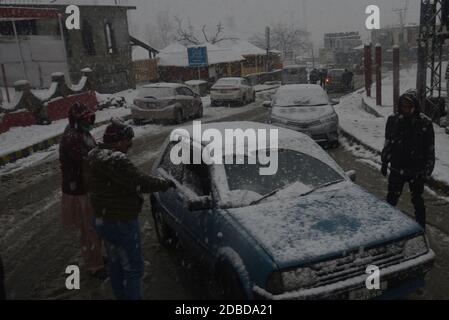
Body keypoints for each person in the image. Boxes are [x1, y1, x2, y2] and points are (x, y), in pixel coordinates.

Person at [88, 119, 175, 300]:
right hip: (120, 221)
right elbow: (140, 181)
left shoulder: (95, 155)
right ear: (119, 141)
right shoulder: (116, 160)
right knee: (134, 268)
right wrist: (165, 184)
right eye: (128, 140)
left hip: (103, 220)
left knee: (116, 264)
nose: (130, 144)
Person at [59, 102, 107, 280]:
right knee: (89, 230)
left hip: (84, 188)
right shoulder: (73, 137)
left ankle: (97, 258)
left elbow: (91, 154)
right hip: (79, 192)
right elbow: (86, 160)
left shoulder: (80, 133)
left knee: (93, 227)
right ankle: (95, 266)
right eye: (87, 118)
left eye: (91, 117)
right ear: (78, 120)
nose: (91, 121)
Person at [381, 90, 435, 229]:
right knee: (391, 198)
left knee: (417, 200)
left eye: (408, 106)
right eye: (403, 106)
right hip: (397, 168)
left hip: (416, 170)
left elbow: (430, 150)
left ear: (415, 106)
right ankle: (386, 227)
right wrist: (384, 160)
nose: (405, 109)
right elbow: (389, 142)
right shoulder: (393, 120)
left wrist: (426, 172)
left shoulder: (425, 123)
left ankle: (421, 227)